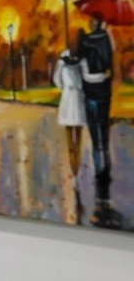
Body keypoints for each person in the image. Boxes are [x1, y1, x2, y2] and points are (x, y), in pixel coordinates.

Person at [78, 17, 117, 224]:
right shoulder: (106, 40)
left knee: (95, 137)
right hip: (104, 93)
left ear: (91, 24)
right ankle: (106, 171)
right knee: (104, 133)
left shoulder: (85, 41)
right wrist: (108, 34)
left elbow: (83, 70)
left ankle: (98, 168)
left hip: (90, 94)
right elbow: (110, 65)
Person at [53, 50, 85, 185]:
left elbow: (57, 80)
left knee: (77, 140)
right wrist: (67, 88)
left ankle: (76, 170)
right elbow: (57, 79)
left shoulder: (80, 57)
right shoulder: (64, 58)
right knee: (72, 140)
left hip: (75, 97)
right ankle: (74, 171)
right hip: (71, 97)